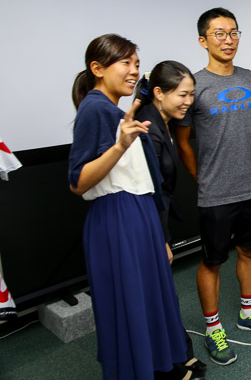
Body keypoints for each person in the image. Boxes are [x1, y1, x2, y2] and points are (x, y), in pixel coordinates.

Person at [68, 34, 190, 380]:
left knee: (146, 301)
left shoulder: (114, 109)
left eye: (137, 64)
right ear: (97, 68)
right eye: (126, 63)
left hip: (137, 216)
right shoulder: (95, 109)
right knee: (133, 304)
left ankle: (156, 368)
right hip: (117, 218)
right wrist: (120, 145)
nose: (135, 71)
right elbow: (77, 181)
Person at [176, 8, 251, 368]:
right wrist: (199, 177)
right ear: (203, 40)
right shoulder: (195, 84)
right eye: (219, 34)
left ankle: (247, 312)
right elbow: (183, 140)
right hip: (215, 192)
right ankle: (213, 327)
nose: (228, 40)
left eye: (233, 32)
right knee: (213, 261)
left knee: (250, 251)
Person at [135, 61, 207, 379]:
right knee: (154, 298)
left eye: (191, 94)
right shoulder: (146, 129)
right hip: (147, 222)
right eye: (183, 94)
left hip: (159, 214)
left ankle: (178, 354)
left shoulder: (164, 119)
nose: (188, 102)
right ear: (159, 92)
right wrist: (161, 238)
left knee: (164, 295)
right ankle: (168, 365)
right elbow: (145, 191)